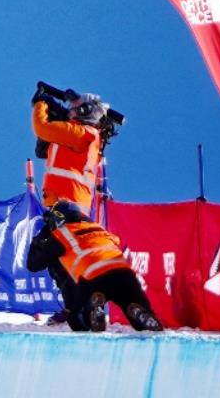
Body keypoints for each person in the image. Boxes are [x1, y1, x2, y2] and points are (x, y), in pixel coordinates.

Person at [29, 83, 162, 332]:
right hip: (68, 203)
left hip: (66, 205)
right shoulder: (84, 136)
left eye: (75, 108)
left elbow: (42, 127)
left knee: (59, 260)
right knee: (64, 261)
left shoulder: (83, 133)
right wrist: (58, 112)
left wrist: (41, 104)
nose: (70, 110)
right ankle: (86, 307)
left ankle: (78, 309)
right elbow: (44, 146)